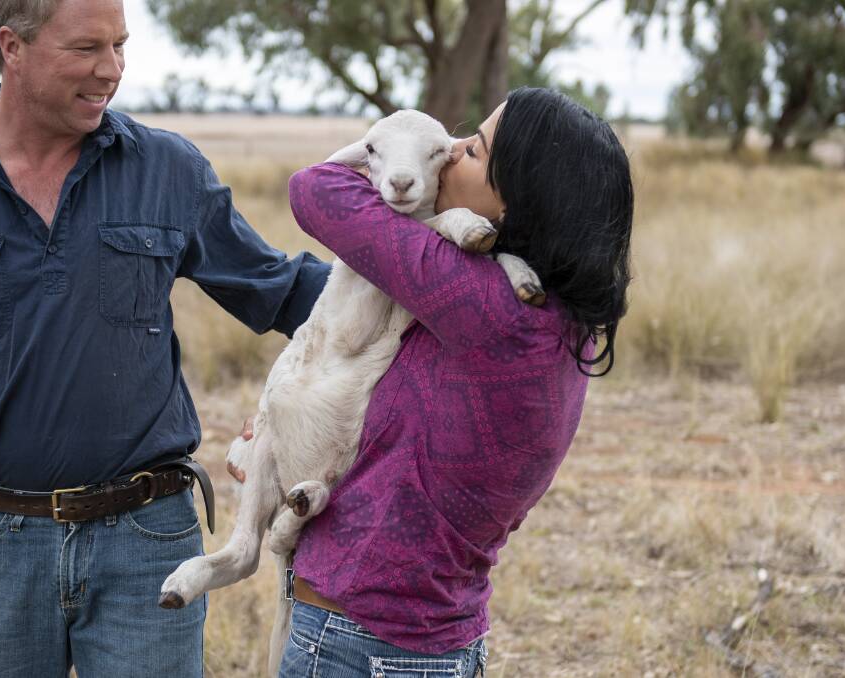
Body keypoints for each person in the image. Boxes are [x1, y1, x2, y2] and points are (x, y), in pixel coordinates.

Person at [0, 0, 329, 676]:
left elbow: (283, 291)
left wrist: (431, 282)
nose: (112, 70)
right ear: (11, 47)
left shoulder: (167, 170)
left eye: (121, 45)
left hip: (148, 541)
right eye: (86, 49)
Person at [262, 87, 634, 676]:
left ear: (520, 201)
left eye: (475, 150)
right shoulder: (556, 319)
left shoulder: (483, 305)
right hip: (444, 638)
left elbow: (316, 189)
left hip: (356, 643)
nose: (453, 149)